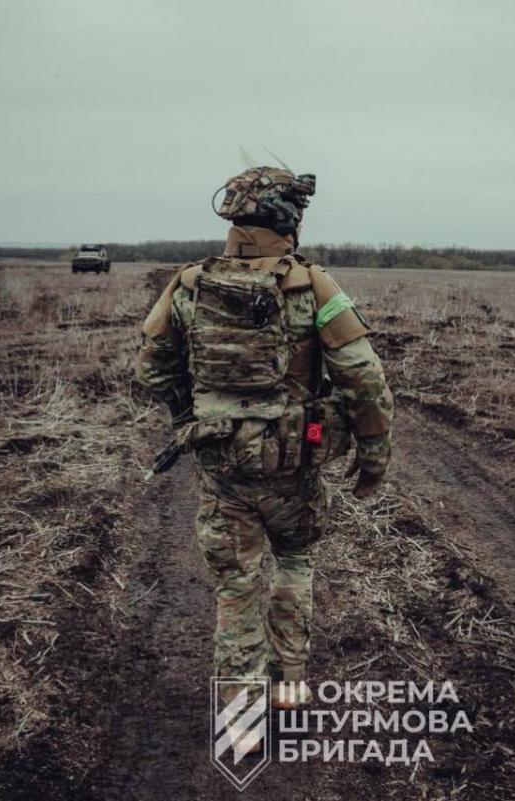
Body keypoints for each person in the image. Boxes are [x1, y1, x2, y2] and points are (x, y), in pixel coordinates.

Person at [136, 166, 394, 716]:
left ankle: (242, 715)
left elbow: (152, 370)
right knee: (296, 558)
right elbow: (364, 380)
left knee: (237, 583)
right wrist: (373, 458)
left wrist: (193, 415)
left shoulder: (188, 285)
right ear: (291, 220)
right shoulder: (312, 286)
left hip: (222, 468)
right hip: (293, 465)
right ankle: (290, 684)